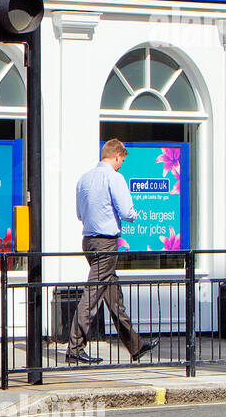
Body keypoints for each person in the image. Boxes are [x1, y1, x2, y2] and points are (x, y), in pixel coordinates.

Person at [66, 139, 159, 365]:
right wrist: (134, 215)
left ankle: (135, 346)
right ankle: (75, 347)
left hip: (88, 241)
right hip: (106, 244)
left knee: (113, 296)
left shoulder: (84, 178)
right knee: (92, 295)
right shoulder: (114, 178)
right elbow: (127, 211)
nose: (121, 165)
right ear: (117, 155)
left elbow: (79, 214)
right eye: (122, 161)